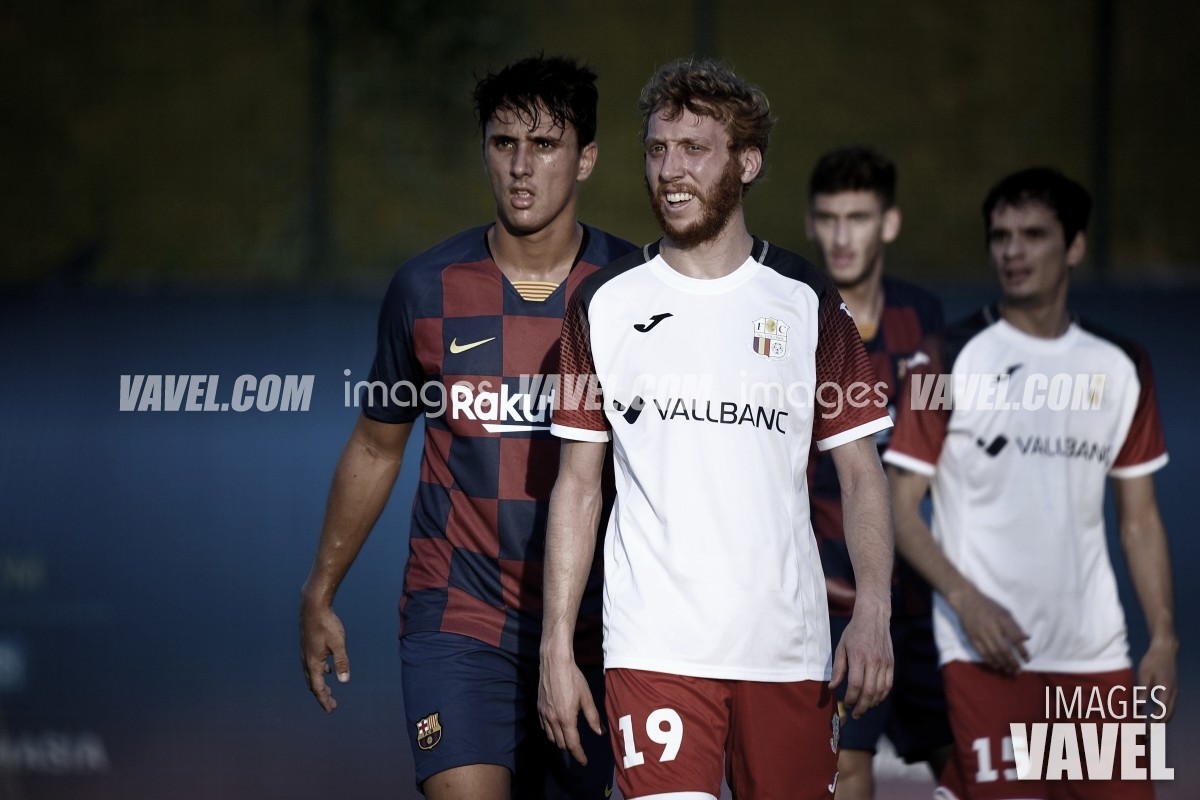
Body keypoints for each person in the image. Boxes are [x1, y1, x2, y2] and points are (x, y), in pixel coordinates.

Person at [538, 58, 895, 800]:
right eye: (658, 148)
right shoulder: (600, 305)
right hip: (653, 648)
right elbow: (577, 488)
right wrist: (555, 644)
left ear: (747, 162)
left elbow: (861, 473)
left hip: (788, 651)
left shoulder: (808, 303)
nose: (670, 169)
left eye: (694, 149)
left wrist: (873, 609)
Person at [299, 55, 635, 800]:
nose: (521, 167)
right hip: (459, 619)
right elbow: (376, 443)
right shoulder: (426, 289)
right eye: (502, 142)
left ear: (586, 159)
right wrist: (320, 589)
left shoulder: (634, 290)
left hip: (599, 631)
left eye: (545, 145)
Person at [884, 167, 1178, 800]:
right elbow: (899, 504)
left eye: (1034, 234)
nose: (1012, 251)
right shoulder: (945, 358)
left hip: (1096, 654)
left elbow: (1140, 519)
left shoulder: (1123, 365)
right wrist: (965, 599)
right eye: (1001, 235)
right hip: (986, 653)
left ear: (1074, 246)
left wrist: (1163, 636)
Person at [805, 146, 961, 799]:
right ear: (811, 224)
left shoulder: (923, 320)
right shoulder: (795, 314)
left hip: (918, 600)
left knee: (980, 765)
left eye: (859, 218)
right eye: (829, 218)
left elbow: (942, 449)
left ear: (888, 224)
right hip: (833, 600)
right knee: (848, 770)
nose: (842, 237)